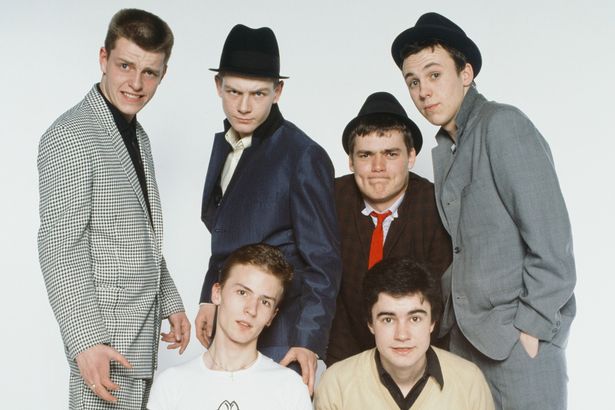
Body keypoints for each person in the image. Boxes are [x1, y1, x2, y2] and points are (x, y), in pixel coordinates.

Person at [390, 12, 576, 409]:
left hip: (516, 346)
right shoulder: (447, 148)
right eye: (413, 82)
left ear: (466, 73)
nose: (423, 91)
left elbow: (552, 244)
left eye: (434, 74)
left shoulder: (502, 125)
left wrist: (530, 328)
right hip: (465, 346)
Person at [37, 9, 189, 409]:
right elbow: (59, 246)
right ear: (103, 58)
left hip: (138, 342)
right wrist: (85, 341)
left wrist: (170, 301)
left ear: (163, 74)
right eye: (125, 66)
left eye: (150, 72)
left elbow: (139, 235)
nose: (136, 84)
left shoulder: (137, 136)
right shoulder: (72, 135)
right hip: (103, 345)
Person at [195, 24, 341, 393]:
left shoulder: (303, 155)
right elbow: (225, 238)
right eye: (234, 92)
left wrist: (308, 341)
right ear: (218, 86)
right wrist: (208, 298)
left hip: (284, 340)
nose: (244, 106)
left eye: (258, 94)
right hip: (231, 331)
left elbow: (323, 261)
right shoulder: (227, 145)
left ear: (277, 91)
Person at [326, 92, 451, 365]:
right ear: (351, 161)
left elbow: (440, 300)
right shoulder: (330, 199)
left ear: (411, 156)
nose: (378, 167)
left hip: (418, 356)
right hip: (344, 355)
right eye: (366, 155)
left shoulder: (436, 206)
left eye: (391, 154)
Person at [148, 244, 312, 409]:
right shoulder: (171, 384)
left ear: (272, 316)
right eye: (242, 292)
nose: (251, 310)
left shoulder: (290, 388)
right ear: (217, 293)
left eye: (265, 302)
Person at [315, 258, 494, 409]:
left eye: (415, 319)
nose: (402, 335)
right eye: (388, 319)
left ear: (432, 322)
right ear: (370, 323)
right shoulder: (336, 384)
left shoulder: (469, 381)